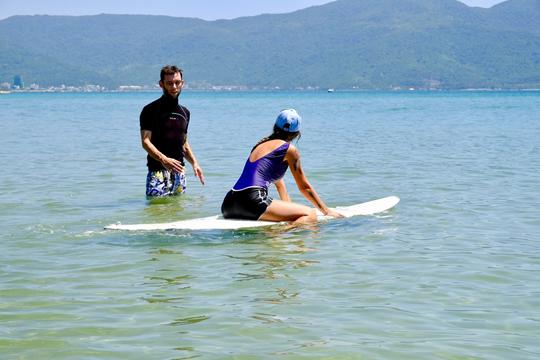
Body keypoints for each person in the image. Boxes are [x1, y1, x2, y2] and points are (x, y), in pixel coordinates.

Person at [221, 109, 342, 224]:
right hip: (252, 201)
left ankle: (283, 237)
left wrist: (289, 210)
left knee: (299, 212)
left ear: (275, 126)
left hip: (229, 204)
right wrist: (326, 211)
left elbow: (279, 184)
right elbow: (305, 187)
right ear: (297, 133)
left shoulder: (260, 145)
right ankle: (281, 233)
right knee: (310, 214)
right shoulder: (289, 150)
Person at [139, 65, 205, 197]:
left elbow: (184, 143)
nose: (174, 87)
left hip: (180, 173)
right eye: (169, 83)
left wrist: (195, 163)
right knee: (155, 212)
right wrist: (164, 159)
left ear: (182, 83)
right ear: (161, 84)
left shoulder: (185, 112)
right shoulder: (150, 110)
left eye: (177, 83)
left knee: (178, 210)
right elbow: (145, 142)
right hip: (157, 172)